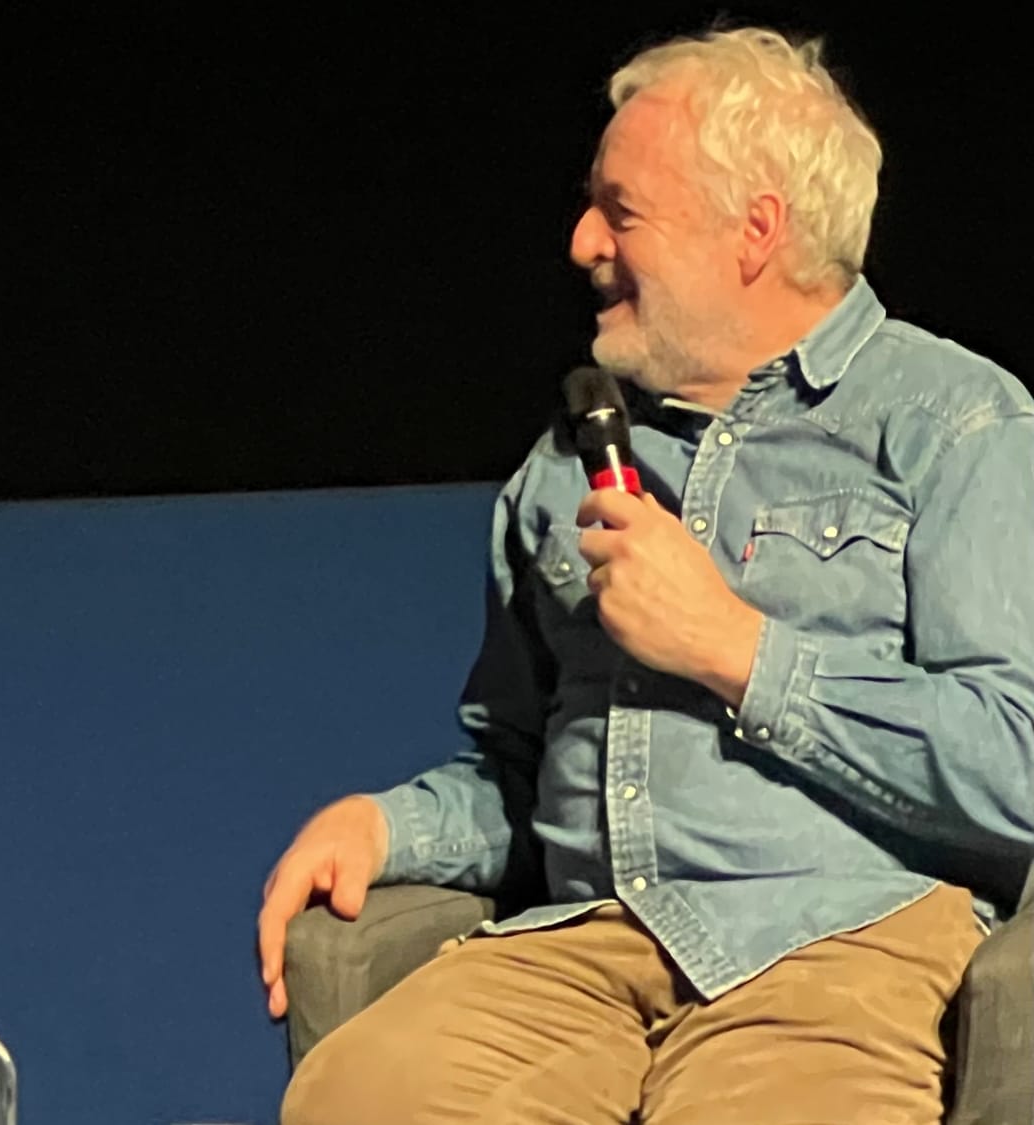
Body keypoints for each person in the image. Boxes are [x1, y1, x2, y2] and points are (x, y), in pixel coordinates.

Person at [259, 26, 1034, 1125]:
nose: (581, 241)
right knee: (357, 1099)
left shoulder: (952, 424)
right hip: (583, 951)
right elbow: (523, 772)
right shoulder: (560, 468)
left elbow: (1015, 765)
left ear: (754, 230)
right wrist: (386, 827)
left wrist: (738, 651)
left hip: (838, 944)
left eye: (619, 212)